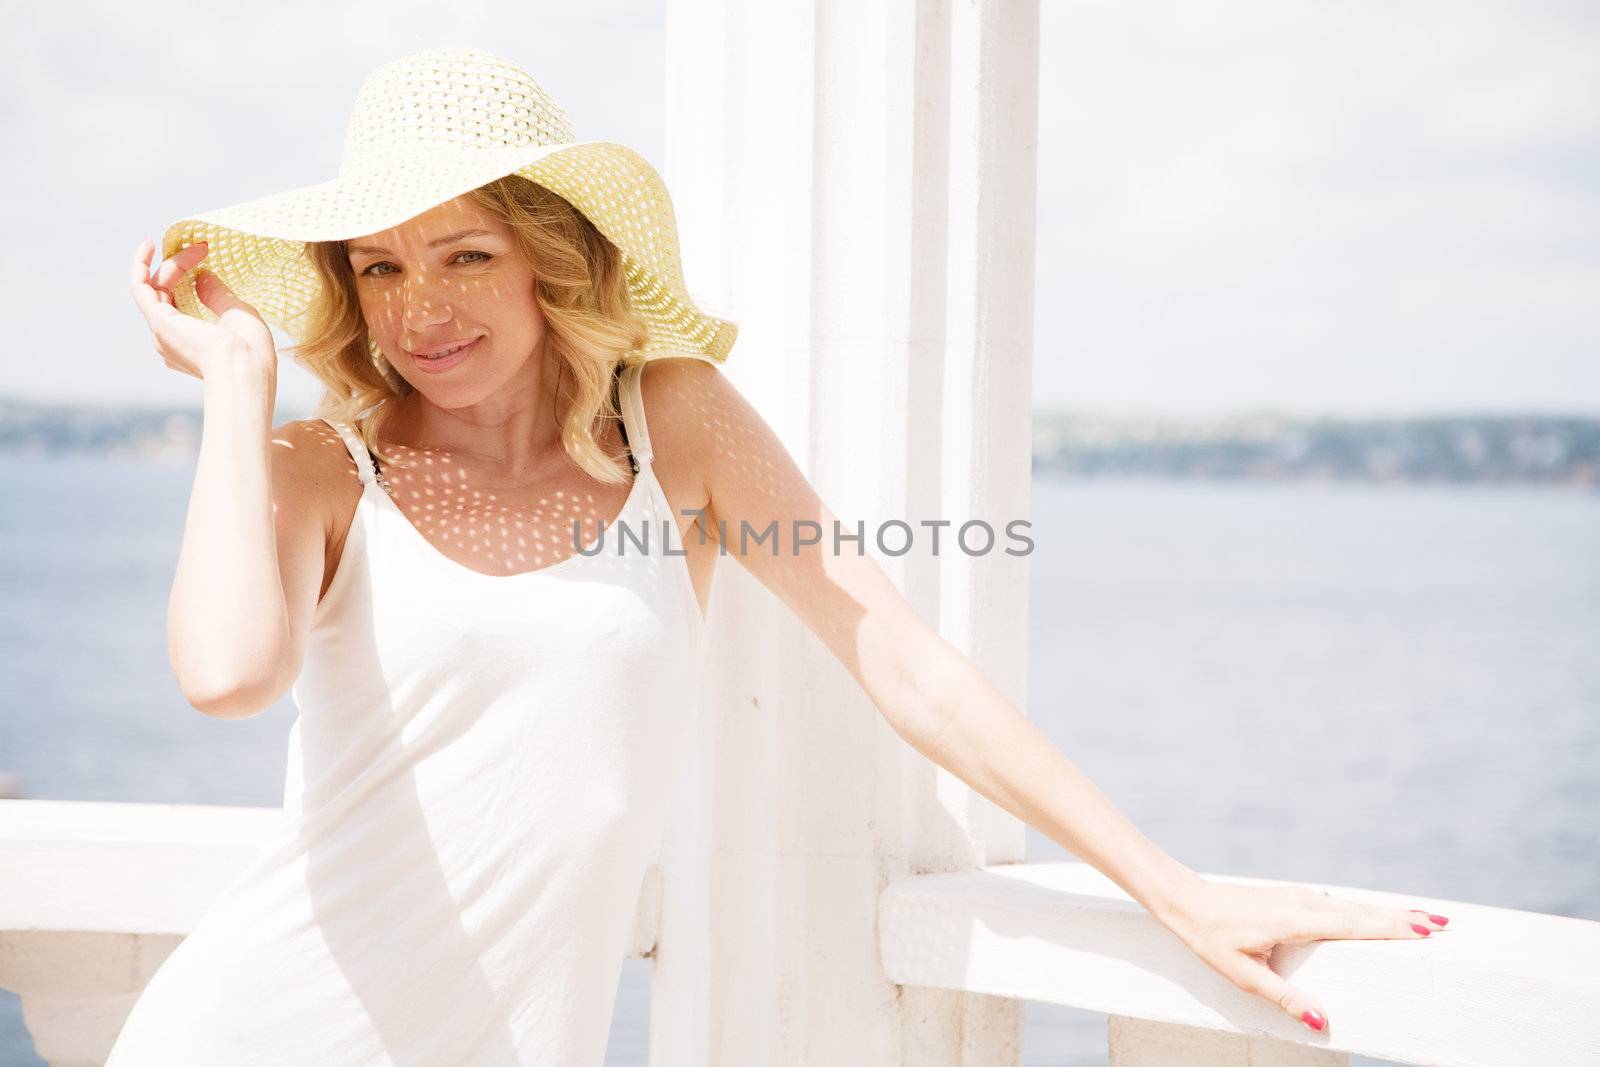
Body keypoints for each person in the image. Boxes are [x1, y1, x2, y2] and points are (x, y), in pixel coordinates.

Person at [117, 46, 1447, 1065]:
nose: (425, 306)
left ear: (551, 264)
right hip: (259, 1025)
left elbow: (904, 662)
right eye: (383, 268)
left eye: (466, 252)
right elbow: (228, 676)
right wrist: (237, 380)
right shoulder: (317, 469)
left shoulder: (671, 424)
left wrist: (1173, 888)